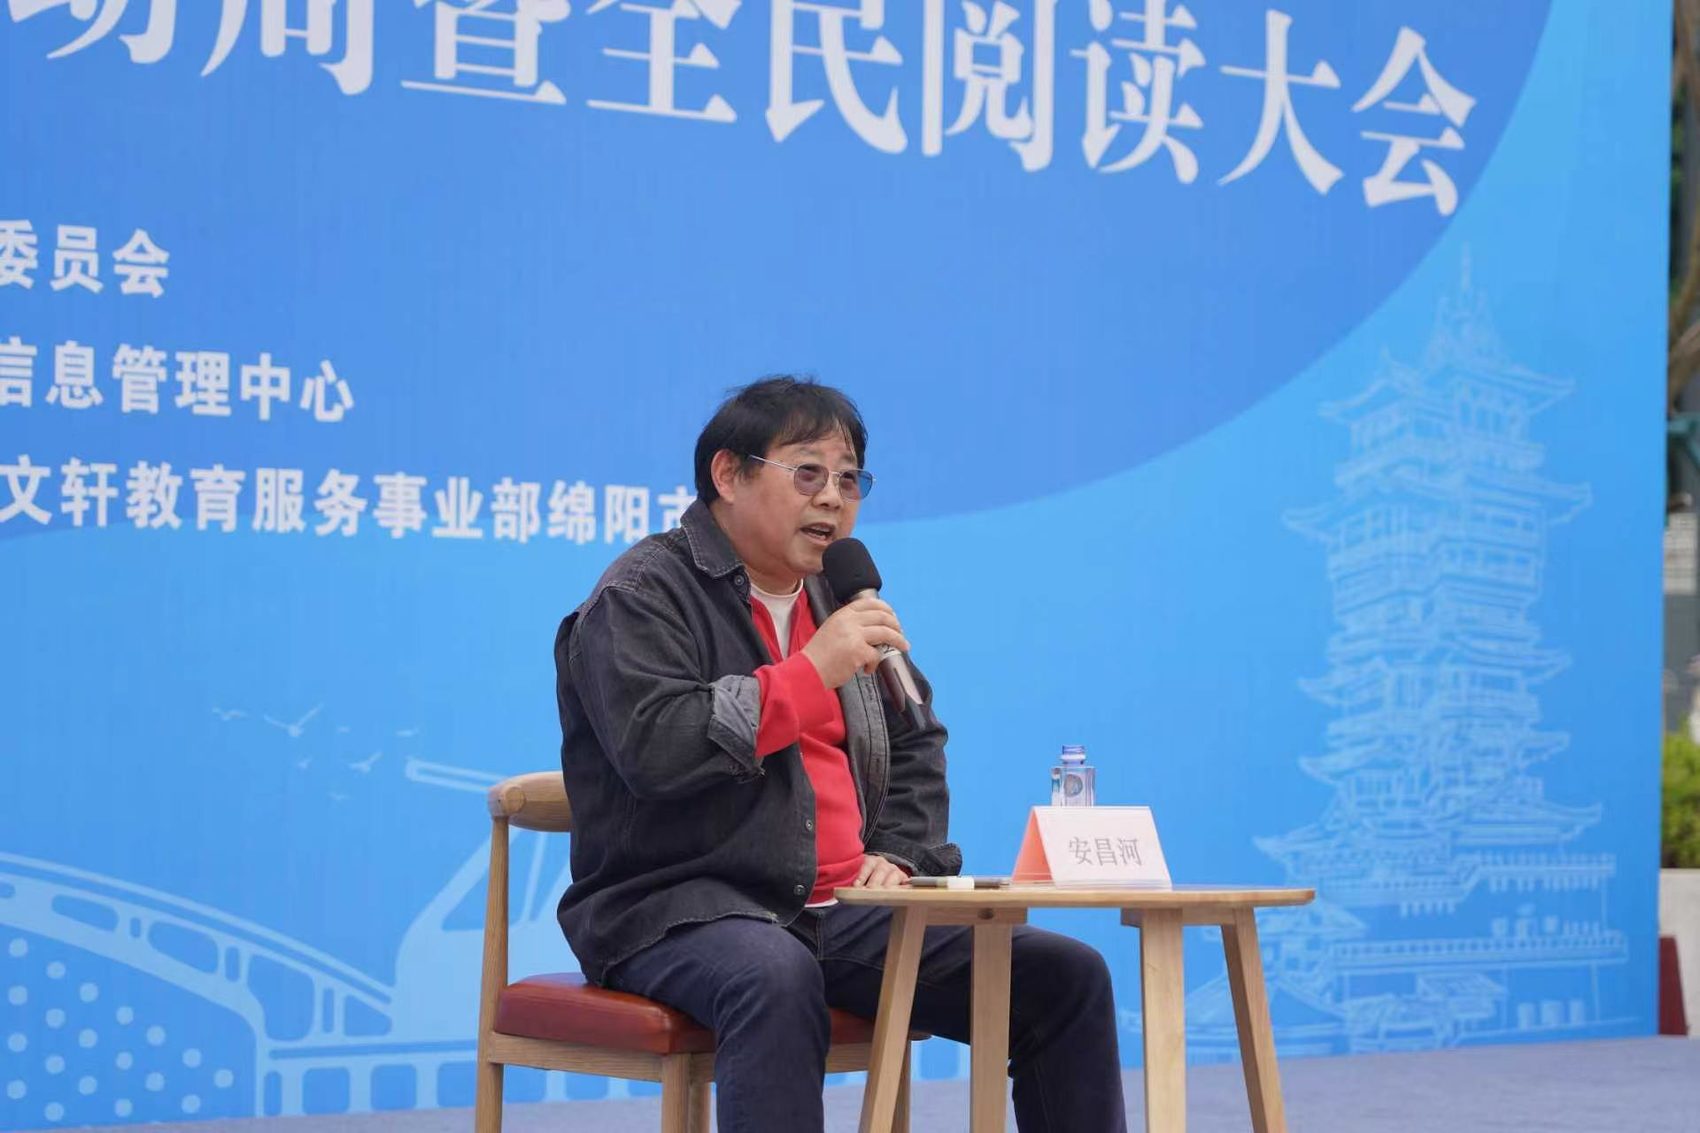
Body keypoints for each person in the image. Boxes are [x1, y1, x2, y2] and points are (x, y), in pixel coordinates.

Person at [554, 376, 1127, 1132]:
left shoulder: (840, 597)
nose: (833, 498)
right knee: (772, 973)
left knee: (1062, 976)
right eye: (808, 473)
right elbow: (656, 748)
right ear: (728, 474)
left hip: (838, 911)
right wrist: (810, 672)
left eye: (850, 479)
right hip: (677, 907)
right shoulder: (643, 593)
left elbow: (915, 738)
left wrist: (901, 852)